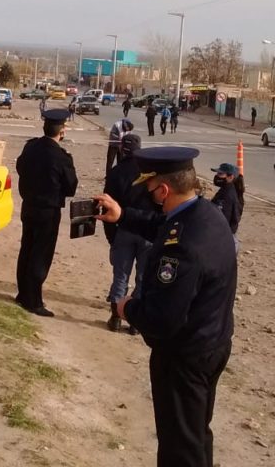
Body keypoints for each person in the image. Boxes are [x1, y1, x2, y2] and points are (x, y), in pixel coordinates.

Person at [93, 146, 237, 467]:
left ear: (163, 189)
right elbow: (164, 227)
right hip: (213, 342)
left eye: (149, 185)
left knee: (178, 447)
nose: (146, 190)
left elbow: (163, 319)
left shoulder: (183, 247)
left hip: (184, 357)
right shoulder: (206, 215)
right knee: (196, 433)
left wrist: (126, 309)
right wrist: (124, 215)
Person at [14, 109, 78, 317]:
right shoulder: (61, 157)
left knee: (27, 249)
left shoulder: (31, 147)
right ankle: (33, 300)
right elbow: (71, 187)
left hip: (29, 205)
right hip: (48, 211)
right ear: (62, 132)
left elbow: (20, 167)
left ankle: (23, 293)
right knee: (40, 255)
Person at [103, 134, 153, 333]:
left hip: (124, 230)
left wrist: (111, 237)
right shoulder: (151, 172)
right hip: (148, 231)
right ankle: (135, 322)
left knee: (120, 276)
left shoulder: (116, 173)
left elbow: (106, 206)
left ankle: (116, 317)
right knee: (143, 277)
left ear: (122, 149)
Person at [210, 162, 242, 252]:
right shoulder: (225, 190)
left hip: (224, 237)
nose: (217, 176)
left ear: (230, 177)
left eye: (220, 174)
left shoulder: (228, 195)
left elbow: (223, 218)